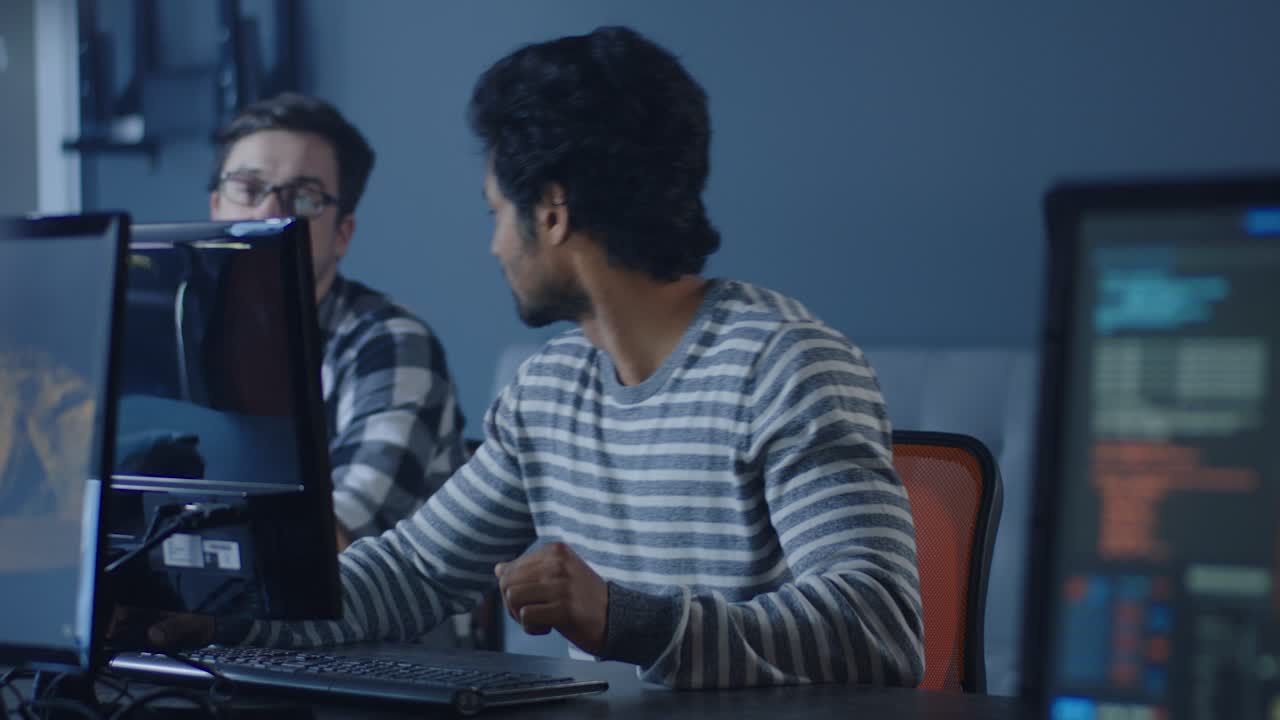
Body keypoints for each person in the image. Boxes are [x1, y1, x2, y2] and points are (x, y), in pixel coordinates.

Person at [202, 27, 924, 689]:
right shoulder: (548, 390)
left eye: (495, 213)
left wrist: (623, 618)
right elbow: (412, 573)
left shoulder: (787, 365)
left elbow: (878, 626)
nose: (494, 246)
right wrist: (213, 618)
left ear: (550, 212)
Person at [208, 93, 467, 547]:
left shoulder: (391, 343)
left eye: (303, 198)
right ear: (215, 208)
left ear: (342, 234)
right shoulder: (182, 333)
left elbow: (334, 546)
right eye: (248, 189)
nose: (268, 215)